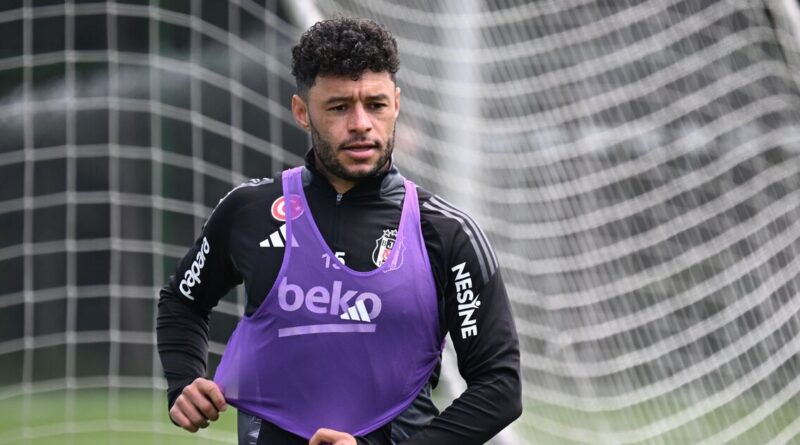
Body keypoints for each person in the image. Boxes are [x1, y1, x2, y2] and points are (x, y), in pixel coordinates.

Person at [157, 17, 521, 445]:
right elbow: (183, 302)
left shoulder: (446, 233)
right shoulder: (248, 212)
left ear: (397, 104)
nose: (361, 123)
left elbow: (499, 386)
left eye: (376, 104)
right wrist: (184, 380)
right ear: (302, 112)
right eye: (339, 107)